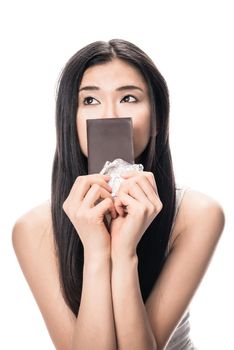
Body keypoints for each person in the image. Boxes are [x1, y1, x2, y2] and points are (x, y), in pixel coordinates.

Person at [12, 39, 225, 350]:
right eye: (90, 101)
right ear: (69, 122)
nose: (109, 115)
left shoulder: (198, 213)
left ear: (156, 121)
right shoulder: (33, 229)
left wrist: (125, 253)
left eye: (128, 97)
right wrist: (97, 249)